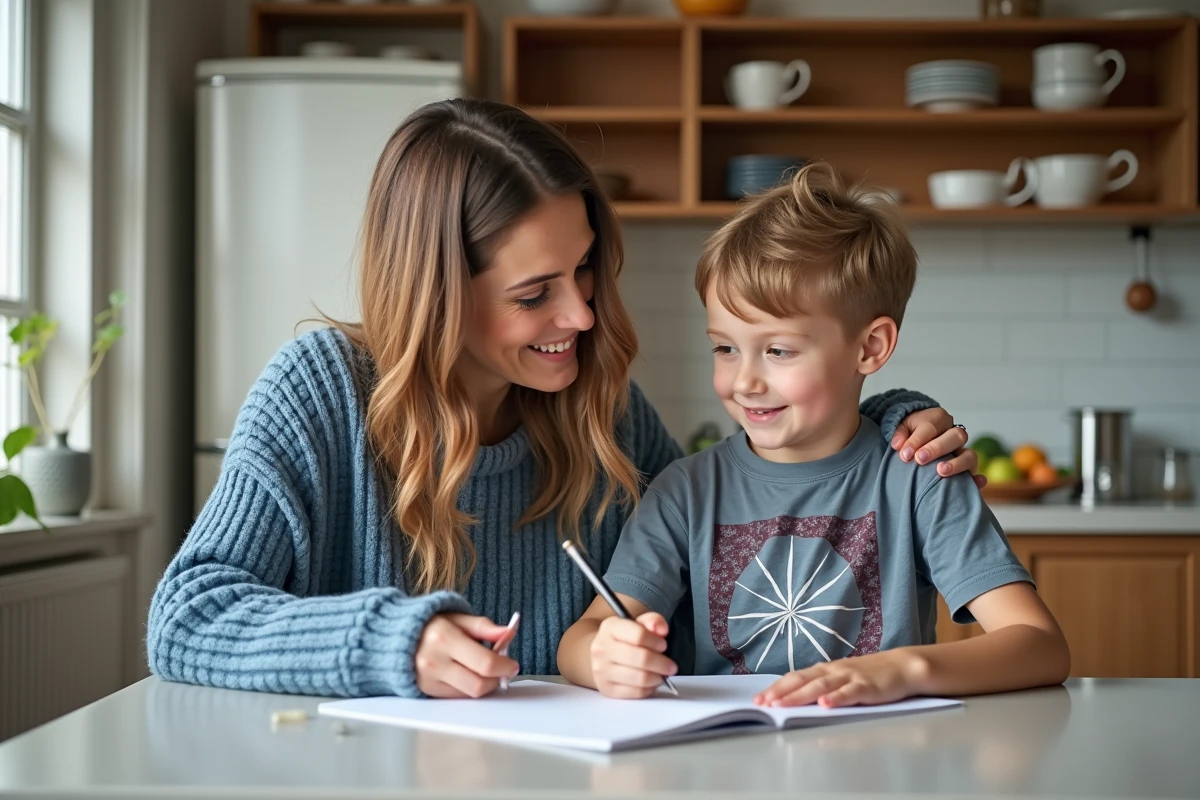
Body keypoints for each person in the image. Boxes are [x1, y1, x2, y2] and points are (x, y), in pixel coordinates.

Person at [147, 99, 981, 700]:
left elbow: (738, 500)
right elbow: (185, 619)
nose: (581, 315)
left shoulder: (597, 403)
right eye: (534, 292)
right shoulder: (320, 389)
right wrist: (395, 643)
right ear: (437, 292)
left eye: (584, 269)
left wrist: (878, 418)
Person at [558, 162, 1070, 706]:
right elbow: (580, 639)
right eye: (725, 347)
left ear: (870, 348)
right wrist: (605, 657)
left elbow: (1040, 645)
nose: (745, 380)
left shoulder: (921, 477)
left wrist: (899, 670)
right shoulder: (683, 492)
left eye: (778, 350)